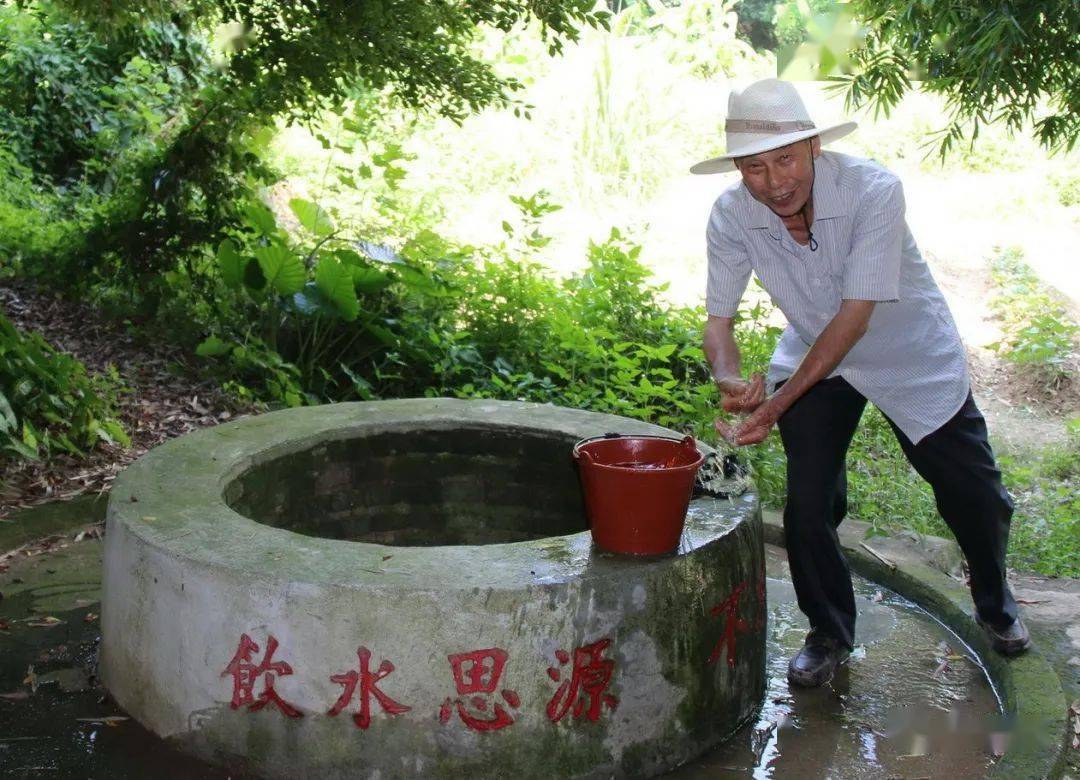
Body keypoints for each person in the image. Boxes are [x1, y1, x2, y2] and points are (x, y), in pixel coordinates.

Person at [692, 78, 1030, 688]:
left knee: (975, 495)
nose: (774, 182)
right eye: (754, 168)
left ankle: (993, 595)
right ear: (738, 169)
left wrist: (777, 403)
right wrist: (730, 377)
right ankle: (828, 632)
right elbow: (719, 320)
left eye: (786, 159)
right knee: (807, 503)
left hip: (908, 351)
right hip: (814, 351)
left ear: (815, 147)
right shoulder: (732, 215)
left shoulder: (874, 191)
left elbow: (856, 316)